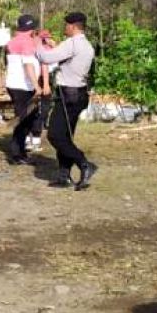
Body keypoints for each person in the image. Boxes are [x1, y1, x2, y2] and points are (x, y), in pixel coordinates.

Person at [36, 12, 98, 190]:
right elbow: (70, 60)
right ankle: (64, 174)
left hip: (67, 96)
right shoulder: (87, 45)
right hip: (79, 94)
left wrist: (37, 43)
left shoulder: (72, 43)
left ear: (73, 26)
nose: (65, 28)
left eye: (66, 26)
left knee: (55, 135)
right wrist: (55, 46)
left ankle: (83, 163)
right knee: (65, 135)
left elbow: (45, 58)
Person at [4, 14, 41, 165]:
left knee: (27, 118)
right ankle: (15, 154)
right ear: (31, 29)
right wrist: (36, 85)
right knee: (23, 119)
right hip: (23, 86)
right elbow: (28, 65)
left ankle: (21, 152)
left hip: (15, 85)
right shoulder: (27, 42)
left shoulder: (13, 42)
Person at [28, 30, 55, 150]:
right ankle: (31, 139)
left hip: (46, 80)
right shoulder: (37, 50)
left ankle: (35, 139)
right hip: (37, 80)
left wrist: (53, 45)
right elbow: (44, 66)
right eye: (45, 38)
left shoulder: (49, 49)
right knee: (36, 110)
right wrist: (44, 84)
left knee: (43, 110)